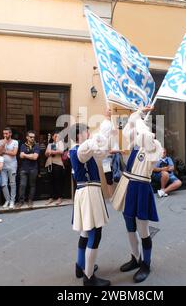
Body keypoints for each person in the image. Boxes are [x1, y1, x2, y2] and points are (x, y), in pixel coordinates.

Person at [111, 106, 163, 284]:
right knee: (129, 224)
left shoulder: (154, 146)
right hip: (129, 185)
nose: (143, 130)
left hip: (141, 187)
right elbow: (127, 130)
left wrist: (140, 119)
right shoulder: (136, 144)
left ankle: (146, 264)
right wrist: (138, 113)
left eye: (148, 128)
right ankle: (135, 257)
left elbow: (142, 133)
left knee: (143, 228)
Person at [69, 112, 113, 286]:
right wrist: (106, 120)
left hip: (84, 192)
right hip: (89, 193)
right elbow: (95, 141)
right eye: (86, 131)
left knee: (85, 233)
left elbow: (100, 150)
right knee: (95, 234)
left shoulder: (81, 150)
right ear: (80, 135)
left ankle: (80, 267)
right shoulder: (81, 149)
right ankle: (88, 277)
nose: (89, 133)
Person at [0, 127, 18, 209]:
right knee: (3, 184)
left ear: (10, 134)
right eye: (4, 133)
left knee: (12, 184)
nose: (5, 135)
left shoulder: (15, 142)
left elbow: (14, 153)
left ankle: (12, 201)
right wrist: (3, 144)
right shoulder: (0, 142)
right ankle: (7, 200)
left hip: (12, 166)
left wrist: (4, 151)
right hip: (2, 166)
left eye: (6, 133)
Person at [18, 131, 40, 208]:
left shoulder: (36, 146)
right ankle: (21, 201)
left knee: (32, 185)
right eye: (31, 137)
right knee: (22, 185)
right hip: (24, 169)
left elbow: (35, 157)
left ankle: (30, 200)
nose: (32, 138)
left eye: (33, 137)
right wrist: (30, 155)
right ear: (27, 137)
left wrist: (25, 155)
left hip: (33, 169)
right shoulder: (23, 145)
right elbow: (21, 156)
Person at [45, 131, 65, 206]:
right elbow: (46, 153)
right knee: (51, 181)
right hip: (50, 164)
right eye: (56, 136)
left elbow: (61, 151)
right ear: (53, 137)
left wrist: (52, 152)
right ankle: (51, 197)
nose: (57, 137)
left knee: (58, 181)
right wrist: (48, 152)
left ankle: (59, 197)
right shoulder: (50, 144)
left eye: (58, 136)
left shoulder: (60, 143)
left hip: (58, 164)